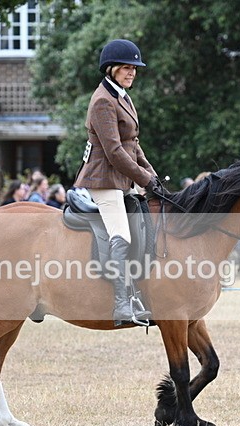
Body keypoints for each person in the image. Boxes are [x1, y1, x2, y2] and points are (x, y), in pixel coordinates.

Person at [73, 38, 160, 325]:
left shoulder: (122, 96)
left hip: (122, 178)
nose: (132, 72)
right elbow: (114, 151)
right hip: (104, 180)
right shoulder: (102, 101)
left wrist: (151, 175)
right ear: (110, 69)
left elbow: (133, 144)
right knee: (121, 233)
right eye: (126, 67)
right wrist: (144, 179)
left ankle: (142, 291)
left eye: (134, 68)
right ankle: (121, 304)